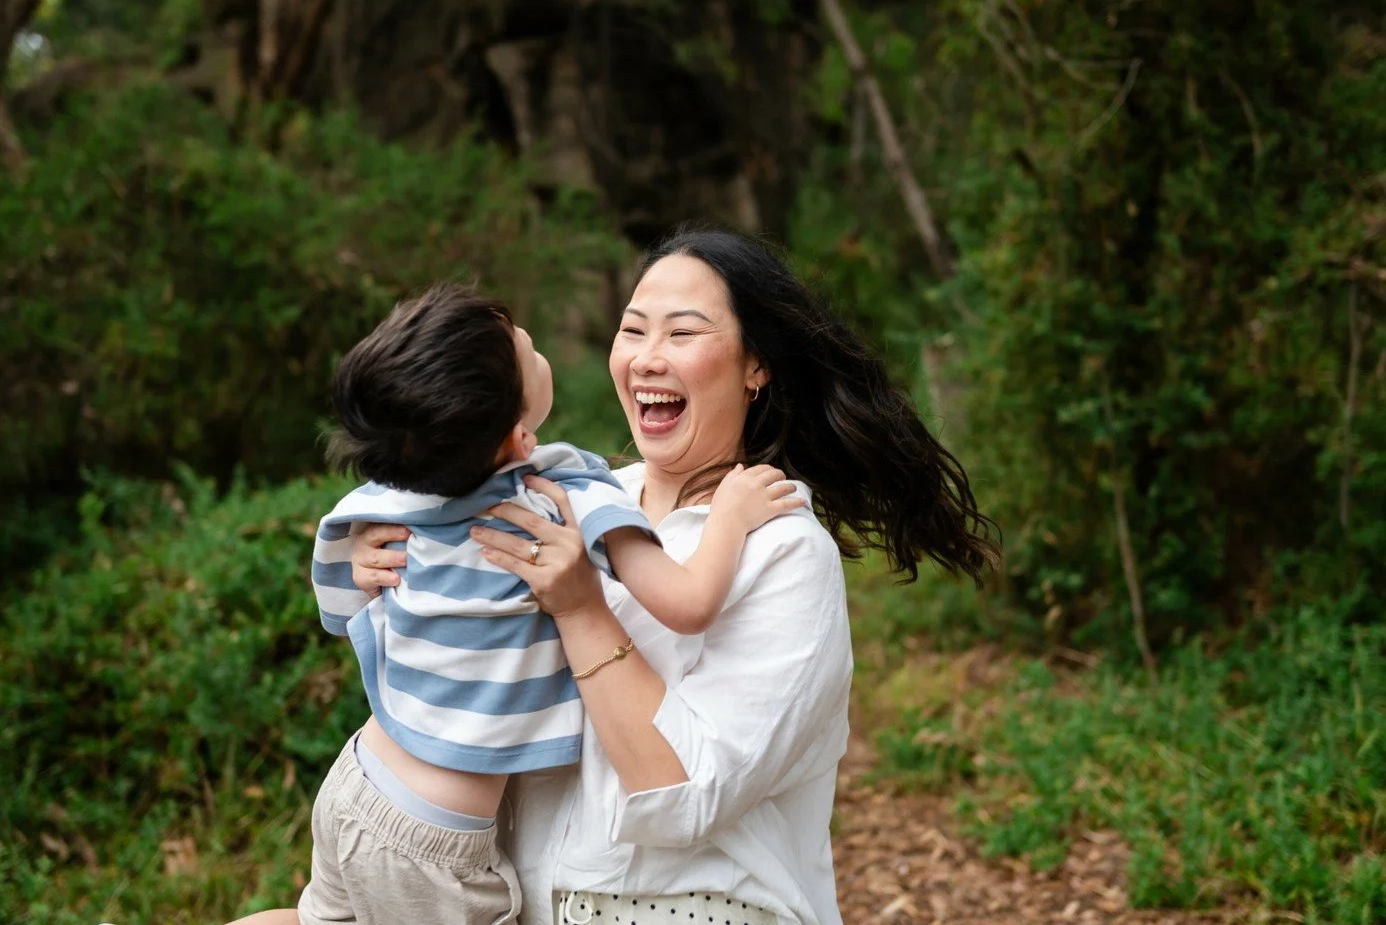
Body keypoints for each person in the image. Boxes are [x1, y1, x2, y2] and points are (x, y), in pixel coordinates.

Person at [231, 227, 997, 925]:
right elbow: (459, 672)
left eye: (683, 332)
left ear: (755, 363)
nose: (647, 355)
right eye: (633, 329)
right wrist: (377, 565)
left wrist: (579, 604)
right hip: (475, 874)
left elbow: (684, 797)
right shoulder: (571, 494)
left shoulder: (778, 548)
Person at [299, 284, 803, 925]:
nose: (532, 342)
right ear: (518, 436)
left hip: (357, 782)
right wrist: (729, 517)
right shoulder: (558, 494)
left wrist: (371, 567)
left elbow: (340, 605)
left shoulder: (393, 489)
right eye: (524, 351)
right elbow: (688, 603)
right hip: (435, 842)